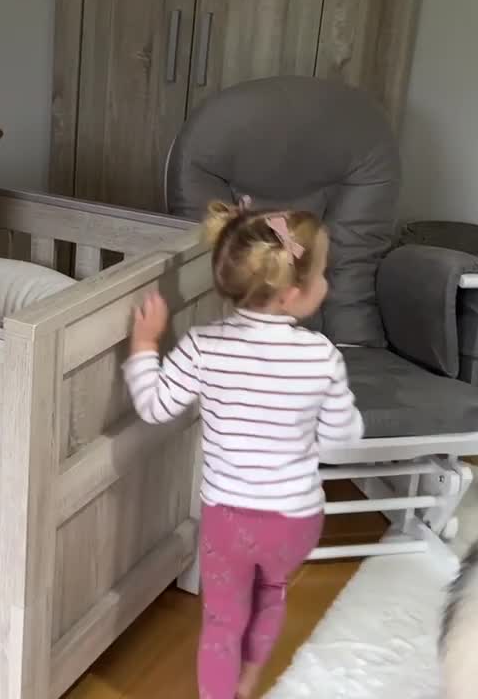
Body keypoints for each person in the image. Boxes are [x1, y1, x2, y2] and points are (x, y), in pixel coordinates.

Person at [123, 197, 364, 699]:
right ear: (291, 295)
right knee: (270, 596)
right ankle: (249, 682)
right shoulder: (322, 357)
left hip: (228, 520)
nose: (328, 284)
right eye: (323, 274)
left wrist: (145, 344)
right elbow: (343, 439)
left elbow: (154, 406)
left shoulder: (200, 345)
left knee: (221, 620)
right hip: (294, 520)